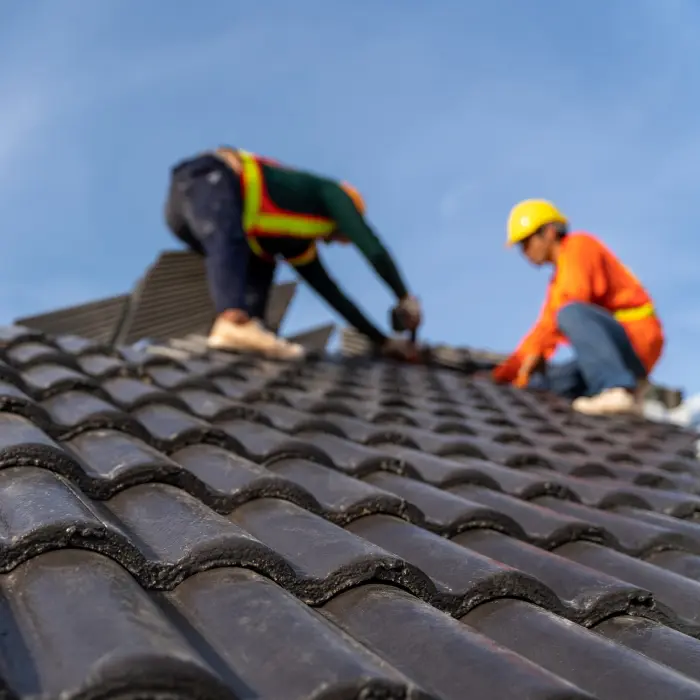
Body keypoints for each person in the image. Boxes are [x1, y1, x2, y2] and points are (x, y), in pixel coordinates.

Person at [163, 146, 422, 360]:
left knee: (261, 261)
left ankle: (249, 332)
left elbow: (333, 295)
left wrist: (384, 342)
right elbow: (372, 248)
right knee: (231, 238)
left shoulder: (294, 242)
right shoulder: (334, 194)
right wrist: (403, 296)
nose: (335, 241)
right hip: (205, 179)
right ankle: (233, 321)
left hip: (192, 213)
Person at [490, 199, 664, 416]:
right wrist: (502, 376)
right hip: (614, 349)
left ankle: (617, 389)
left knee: (570, 312)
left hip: (636, 340)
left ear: (549, 232)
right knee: (551, 382)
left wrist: (536, 352)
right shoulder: (558, 280)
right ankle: (620, 389)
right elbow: (543, 328)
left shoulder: (579, 247)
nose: (525, 252)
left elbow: (571, 302)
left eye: (526, 242)